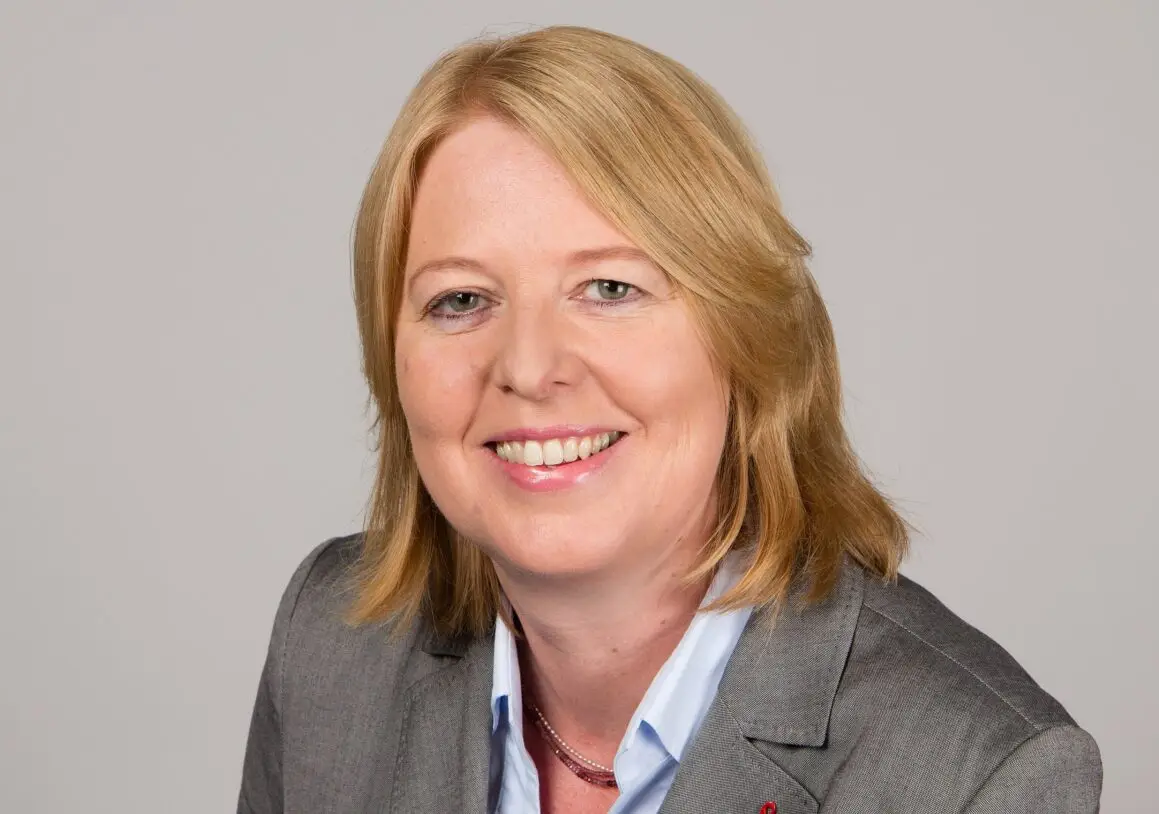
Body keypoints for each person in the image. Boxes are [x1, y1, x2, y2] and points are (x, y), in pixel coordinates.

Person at [237, 24, 1101, 814]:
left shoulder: (976, 778)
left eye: (610, 288)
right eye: (461, 300)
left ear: (745, 337)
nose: (529, 369)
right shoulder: (330, 648)